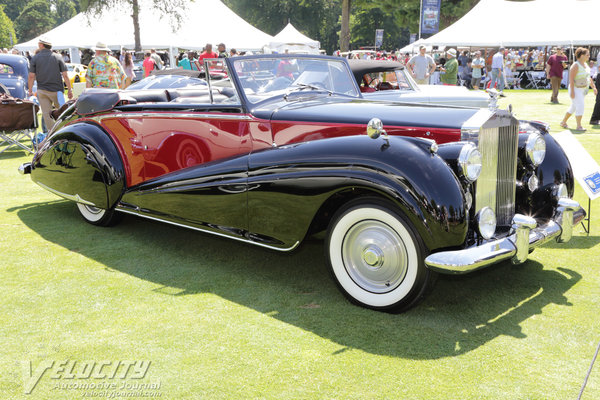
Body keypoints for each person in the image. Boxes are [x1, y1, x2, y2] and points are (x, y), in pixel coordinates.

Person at [27, 37, 73, 134]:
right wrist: (69, 89)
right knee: (62, 113)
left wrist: (30, 90)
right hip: (57, 90)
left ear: (41, 45)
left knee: (47, 115)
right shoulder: (57, 57)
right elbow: (65, 75)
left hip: (42, 90)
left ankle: (52, 135)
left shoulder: (35, 58)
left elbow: (31, 76)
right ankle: (64, 131)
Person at [560, 47, 597, 131]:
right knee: (580, 106)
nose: (589, 56)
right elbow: (571, 79)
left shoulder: (586, 65)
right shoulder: (575, 65)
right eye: (587, 54)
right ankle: (579, 126)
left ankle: (563, 122)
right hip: (576, 89)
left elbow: (589, 78)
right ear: (582, 55)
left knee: (573, 107)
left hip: (583, 90)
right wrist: (572, 92)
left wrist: (594, 87)